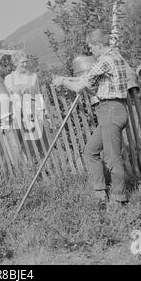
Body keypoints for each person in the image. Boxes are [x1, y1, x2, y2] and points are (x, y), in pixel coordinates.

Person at [52, 29, 129, 209]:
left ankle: (119, 199)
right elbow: (89, 77)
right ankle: (100, 192)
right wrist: (65, 78)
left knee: (112, 159)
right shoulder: (116, 56)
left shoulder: (104, 60)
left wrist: (62, 82)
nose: (91, 51)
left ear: (98, 45)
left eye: (91, 48)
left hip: (109, 110)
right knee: (90, 151)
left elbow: (79, 86)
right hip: (113, 110)